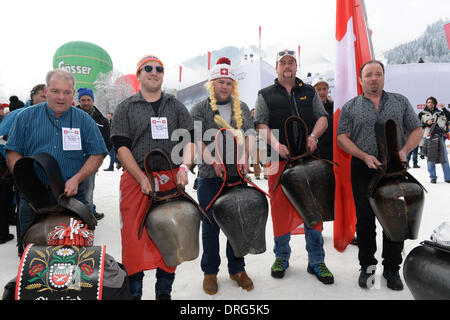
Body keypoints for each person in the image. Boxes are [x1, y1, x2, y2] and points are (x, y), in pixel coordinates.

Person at [110, 54, 194, 300]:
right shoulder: (125, 107)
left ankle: (163, 293)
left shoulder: (175, 105)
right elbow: (121, 146)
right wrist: (140, 177)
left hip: (170, 179)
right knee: (134, 240)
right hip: (137, 180)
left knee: (170, 237)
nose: (154, 72)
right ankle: (135, 294)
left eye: (159, 68)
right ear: (139, 75)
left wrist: (184, 168)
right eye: (148, 68)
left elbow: (189, 139)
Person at [337, 60, 423, 291]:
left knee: (395, 219)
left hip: (395, 168)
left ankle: (393, 268)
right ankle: (367, 267)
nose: (373, 78)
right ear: (360, 79)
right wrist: (363, 155)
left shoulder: (400, 101)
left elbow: (417, 129)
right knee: (365, 221)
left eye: (378, 74)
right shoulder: (351, 106)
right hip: (364, 169)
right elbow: (342, 137)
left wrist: (405, 151)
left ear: (383, 77)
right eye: (368, 75)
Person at [254, 49, 334, 285]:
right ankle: (281, 257)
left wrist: (314, 137)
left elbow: (322, 118)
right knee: (279, 209)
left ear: (296, 67)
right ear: (276, 68)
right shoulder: (265, 94)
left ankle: (317, 261)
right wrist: (276, 144)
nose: (287, 66)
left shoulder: (309, 91)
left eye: (291, 62)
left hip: (309, 159)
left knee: (313, 209)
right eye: (283, 63)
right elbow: (260, 123)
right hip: (278, 161)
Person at [5, 69, 108, 241]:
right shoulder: (25, 117)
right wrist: (25, 179)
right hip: (32, 199)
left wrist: (77, 178)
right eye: (55, 91)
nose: (61, 97)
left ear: (73, 94)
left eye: (67, 92)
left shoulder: (84, 120)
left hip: (74, 198)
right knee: (33, 256)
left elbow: (97, 154)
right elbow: (12, 151)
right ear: (46, 91)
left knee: (74, 253)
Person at [190, 57, 256, 295]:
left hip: (236, 174)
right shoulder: (199, 108)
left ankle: (237, 268)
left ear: (233, 85)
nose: (225, 86)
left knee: (236, 222)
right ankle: (210, 272)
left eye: (229, 82)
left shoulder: (243, 107)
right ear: (212, 84)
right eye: (220, 82)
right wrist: (212, 160)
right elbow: (196, 140)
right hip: (210, 175)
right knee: (210, 225)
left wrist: (244, 157)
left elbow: (249, 134)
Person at [77, 88, 112, 220]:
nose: (86, 103)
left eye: (88, 100)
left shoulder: (101, 120)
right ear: (79, 101)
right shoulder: (71, 116)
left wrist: (99, 158)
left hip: (90, 161)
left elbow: (108, 142)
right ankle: (76, 214)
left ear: (93, 101)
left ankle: (89, 215)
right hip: (71, 161)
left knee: (88, 191)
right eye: (83, 100)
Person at [420, 96, 450, 183]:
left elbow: (449, 117)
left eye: (432, 102)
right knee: (430, 158)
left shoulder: (441, 113)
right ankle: (433, 177)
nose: (430, 103)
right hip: (428, 137)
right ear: (426, 103)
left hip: (440, 137)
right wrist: (426, 123)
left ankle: (448, 178)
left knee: (444, 157)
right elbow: (417, 126)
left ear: (435, 104)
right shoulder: (422, 113)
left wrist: (444, 108)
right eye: (428, 102)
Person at [312, 77, 334, 161]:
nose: (322, 92)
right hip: (317, 155)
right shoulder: (310, 110)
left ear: (328, 90)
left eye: (324, 89)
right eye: (318, 89)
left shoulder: (334, 108)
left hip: (333, 153)